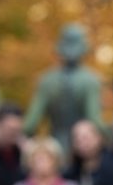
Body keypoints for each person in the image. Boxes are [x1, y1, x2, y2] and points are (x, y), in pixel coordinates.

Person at [24, 23, 104, 152]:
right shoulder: (90, 80)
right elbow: (94, 118)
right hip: (81, 148)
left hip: (55, 145)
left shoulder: (47, 80)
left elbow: (31, 123)